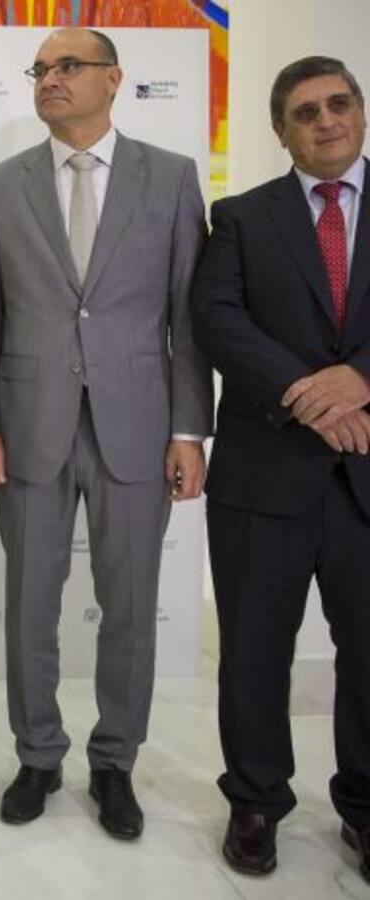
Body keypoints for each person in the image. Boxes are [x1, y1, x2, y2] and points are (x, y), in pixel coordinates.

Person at [0, 27, 212, 839]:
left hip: (138, 425)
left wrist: (189, 429)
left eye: (69, 66)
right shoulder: (2, 184)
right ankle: (38, 755)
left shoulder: (171, 177)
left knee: (131, 606)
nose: (51, 79)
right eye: (40, 69)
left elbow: (187, 315)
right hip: (26, 425)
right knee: (30, 604)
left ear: (114, 79)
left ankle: (115, 762)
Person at [192, 55, 370, 883]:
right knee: (255, 652)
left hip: (365, 473)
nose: (326, 121)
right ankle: (256, 802)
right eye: (306, 112)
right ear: (280, 130)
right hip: (265, 472)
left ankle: (364, 805)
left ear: (360, 111)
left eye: (339, 104)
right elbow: (216, 319)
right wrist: (308, 391)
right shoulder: (240, 216)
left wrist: (360, 378)